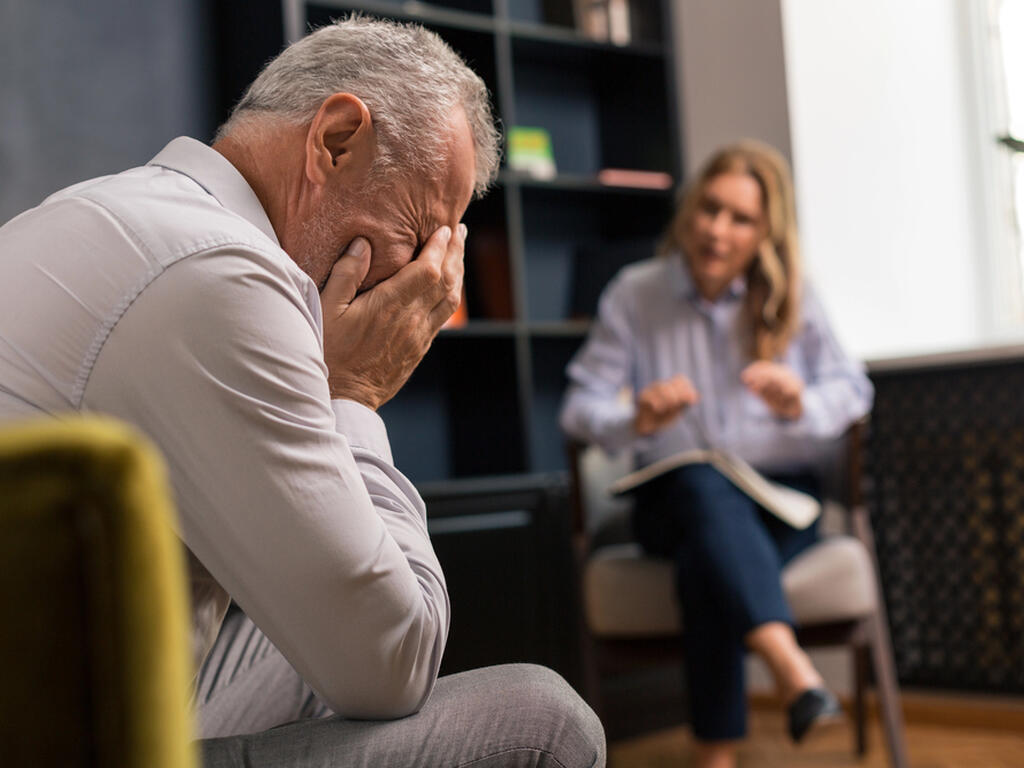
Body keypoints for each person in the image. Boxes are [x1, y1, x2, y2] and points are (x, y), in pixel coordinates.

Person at [0, 17, 605, 768]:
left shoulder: (113, 213)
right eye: (420, 238)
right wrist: (351, 392)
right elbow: (395, 664)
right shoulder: (222, 274)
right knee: (547, 720)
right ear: (336, 140)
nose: (429, 291)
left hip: (70, 698)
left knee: (299, 619)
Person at [559, 141, 872, 768]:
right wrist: (634, 416)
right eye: (709, 209)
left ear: (764, 232)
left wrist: (799, 403)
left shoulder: (794, 298)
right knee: (702, 487)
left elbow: (853, 392)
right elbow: (579, 407)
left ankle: (716, 755)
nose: (716, 230)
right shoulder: (635, 293)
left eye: (740, 219)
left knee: (710, 557)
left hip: (778, 504)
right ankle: (791, 668)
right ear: (689, 210)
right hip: (667, 502)